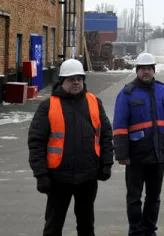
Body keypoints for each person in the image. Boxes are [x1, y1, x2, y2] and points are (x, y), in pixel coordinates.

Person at [28, 58, 114, 236]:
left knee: (86, 225)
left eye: (79, 79)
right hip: (58, 178)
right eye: (71, 79)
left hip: (88, 176)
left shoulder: (94, 102)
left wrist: (106, 164)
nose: (76, 82)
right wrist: (41, 174)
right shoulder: (48, 106)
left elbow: (105, 135)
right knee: (53, 226)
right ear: (62, 81)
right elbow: (36, 142)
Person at [113, 52, 164, 236]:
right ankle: (135, 231)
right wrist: (122, 154)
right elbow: (119, 126)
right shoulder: (127, 94)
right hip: (135, 157)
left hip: (158, 155)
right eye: (143, 69)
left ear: (154, 70)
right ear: (137, 70)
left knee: (154, 197)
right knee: (134, 198)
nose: (146, 72)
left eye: (149, 69)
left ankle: (149, 230)